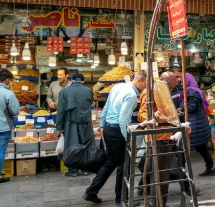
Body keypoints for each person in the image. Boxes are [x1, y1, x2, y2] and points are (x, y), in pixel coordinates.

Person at [84, 70, 147, 205]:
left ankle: (91, 192)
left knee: (110, 162)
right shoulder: (131, 95)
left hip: (108, 129)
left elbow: (105, 107)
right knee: (123, 166)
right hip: (118, 132)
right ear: (140, 80)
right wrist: (128, 139)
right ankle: (121, 200)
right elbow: (123, 120)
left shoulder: (118, 86)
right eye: (146, 83)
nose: (146, 87)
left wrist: (102, 124)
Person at [137, 72, 182, 206]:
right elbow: (142, 115)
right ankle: (157, 203)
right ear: (165, 83)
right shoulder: (150, 92)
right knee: (159, 175)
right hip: (158, 138)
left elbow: (164, 110)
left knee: (162, 174)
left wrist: (172, 114)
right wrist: (153, 116)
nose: (172, 90)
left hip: (166, 135)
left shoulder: (161, 91)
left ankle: (158, 202)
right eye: (172, 87)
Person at [173, 72, 215, 176]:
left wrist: (182, 108)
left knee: (185, 147)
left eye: (183, 81)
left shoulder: (191, 92)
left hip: (195, 124)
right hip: (199, 122)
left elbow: (192, 107)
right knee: (201, 147)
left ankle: (182, 172)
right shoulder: (193, 90)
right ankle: (210, 167)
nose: (181, 83)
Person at [56, 69, 94, 178]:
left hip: (71, 123)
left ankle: (73, 171)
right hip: (86, 123)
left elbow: (61, 111)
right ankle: (86, 169)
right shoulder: (88, 90)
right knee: (86, 145)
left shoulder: (64, 92)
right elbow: (90, 102)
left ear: (72, 80)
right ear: (83, 81)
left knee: (72, 146)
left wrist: (59, 127)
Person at [0, 68, 20, 184]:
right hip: (3, 126)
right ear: (7, 80)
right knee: (1, 150)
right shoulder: (8, 93)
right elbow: (15, 111)